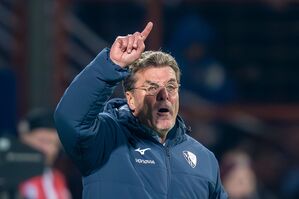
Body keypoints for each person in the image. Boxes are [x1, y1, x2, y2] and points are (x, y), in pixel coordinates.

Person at [54, 22, 227, 199]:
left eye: (171, 86)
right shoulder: (104, 138)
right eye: (152, 88)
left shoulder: (204, 159)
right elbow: (70, 118)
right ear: (130, 99)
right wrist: (112, 64)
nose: (164, 95)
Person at [18, 108, 71, 199]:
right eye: (43, 141)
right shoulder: (11, 176)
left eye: (55, 144)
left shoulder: (58, 179)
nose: (49, 150)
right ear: (24, 139)